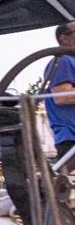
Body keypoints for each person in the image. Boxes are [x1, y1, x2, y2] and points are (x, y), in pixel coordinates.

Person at [43, 22, 75, 175]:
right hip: (70, 134)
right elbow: (62, 97)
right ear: (64, 39)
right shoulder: (63, 61)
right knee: (59, 179)